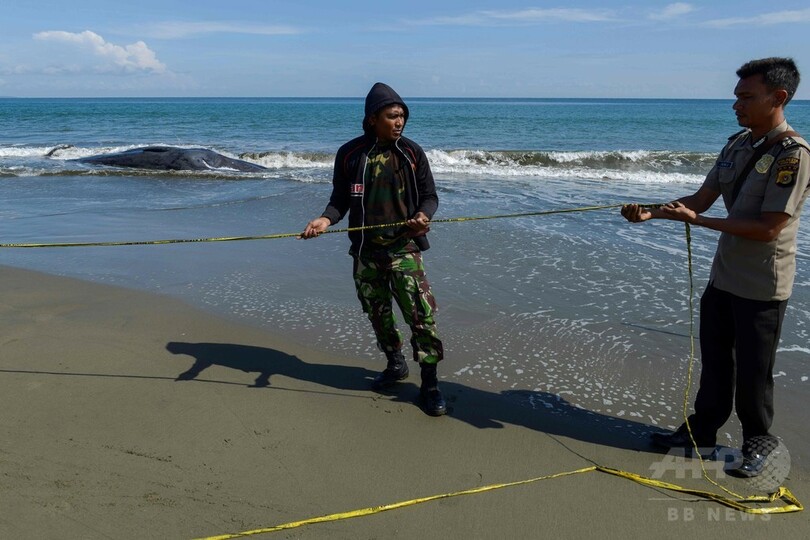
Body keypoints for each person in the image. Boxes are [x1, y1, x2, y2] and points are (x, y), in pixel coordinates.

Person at [621, 57, 809, 477]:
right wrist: (651, 213)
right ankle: (701, 432)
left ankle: (759, 443)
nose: (736, 105)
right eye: (736, 97)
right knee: (716, 362)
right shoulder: (736, 144)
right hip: (724, 276)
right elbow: (701, 198)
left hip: (762, 283)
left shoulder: (793, 156)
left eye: (746, 97)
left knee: (754, 374)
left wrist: (698, 222)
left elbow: (768, 227)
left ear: (778, 98)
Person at [301, 82, 447, 416]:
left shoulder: (411, 153)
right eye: (392, 116)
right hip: (366, 254)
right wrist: (325, 220)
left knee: (421, 318)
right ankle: (395, 365)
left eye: (402, 116)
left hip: (404, 251)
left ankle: (430, 383)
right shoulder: (351, 154)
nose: (399, 122)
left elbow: (430, 196)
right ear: (372, 119)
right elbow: (339, 200)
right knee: (378, 315)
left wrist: (424, 217)